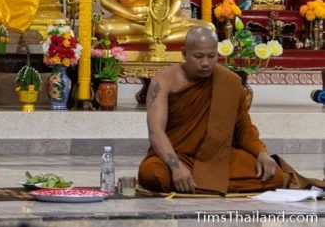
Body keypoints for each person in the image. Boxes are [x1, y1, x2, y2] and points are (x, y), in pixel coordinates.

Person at [138, 27, 324, 194]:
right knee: (153, 176)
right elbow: (156, 131)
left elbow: (244, 127)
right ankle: (196, 180)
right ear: (184, 53)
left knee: (274, 175)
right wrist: (176, 166)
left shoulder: (229, 81)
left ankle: (196, 183)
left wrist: (261, 153)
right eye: (199, 56)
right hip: (174, 155)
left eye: (211, 56)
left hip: (216, 157)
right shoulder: (163, 81)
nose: (205, 63)